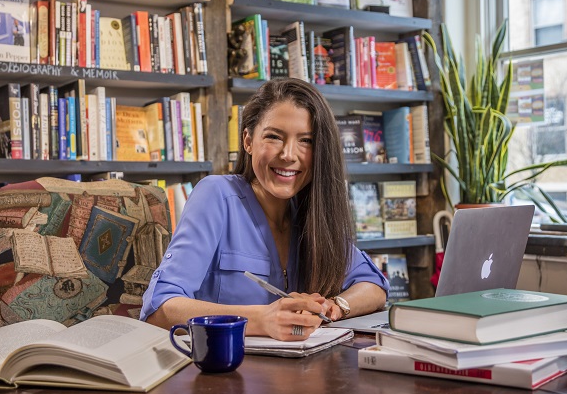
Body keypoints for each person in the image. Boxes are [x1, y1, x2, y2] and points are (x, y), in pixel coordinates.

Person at [140, 78, 389, 341]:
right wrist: (261, 319)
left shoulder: (313, 214)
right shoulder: (216, 195)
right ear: (248, 141)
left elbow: (374, 286)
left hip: (298, 373)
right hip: (220, 372)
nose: (289, 155)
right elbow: (159, 309)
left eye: (306, 140)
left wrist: (336, 306)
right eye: (273, 137)